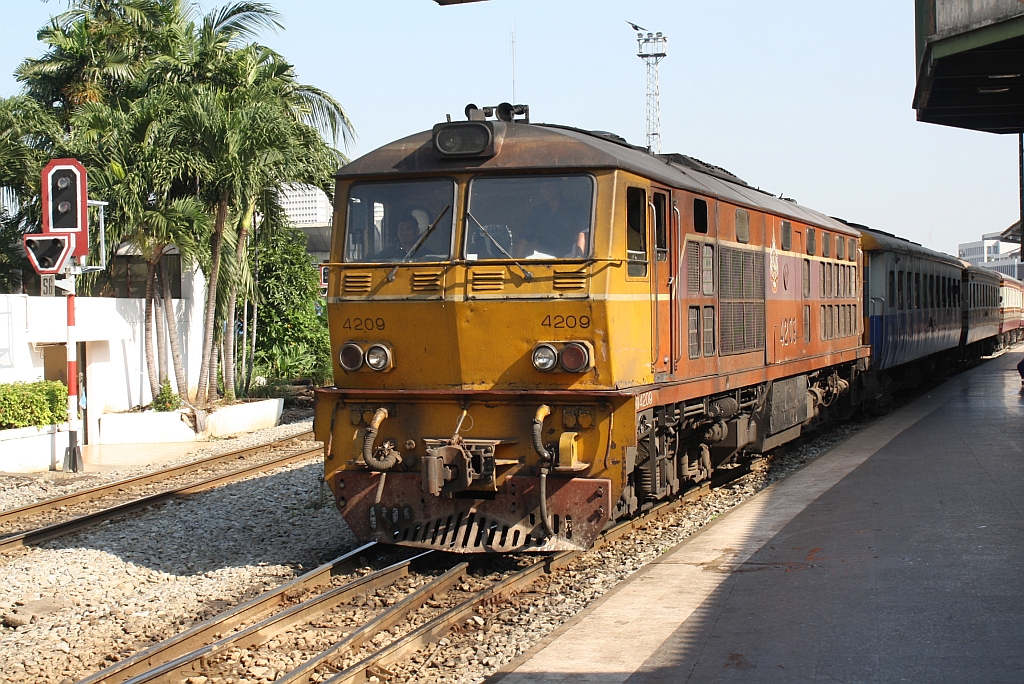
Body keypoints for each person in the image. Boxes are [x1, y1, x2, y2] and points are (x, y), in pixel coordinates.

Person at [515, 182, 589, 259]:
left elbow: (581, 234)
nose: (546, 189)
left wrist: (578, 259)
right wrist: (515, 261)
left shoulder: (574, 209)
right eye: (542, 187)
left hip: (569, 258)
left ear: (559, 187)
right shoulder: (538, 211)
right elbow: (525, 238)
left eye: (550, 185)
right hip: (545, 260)